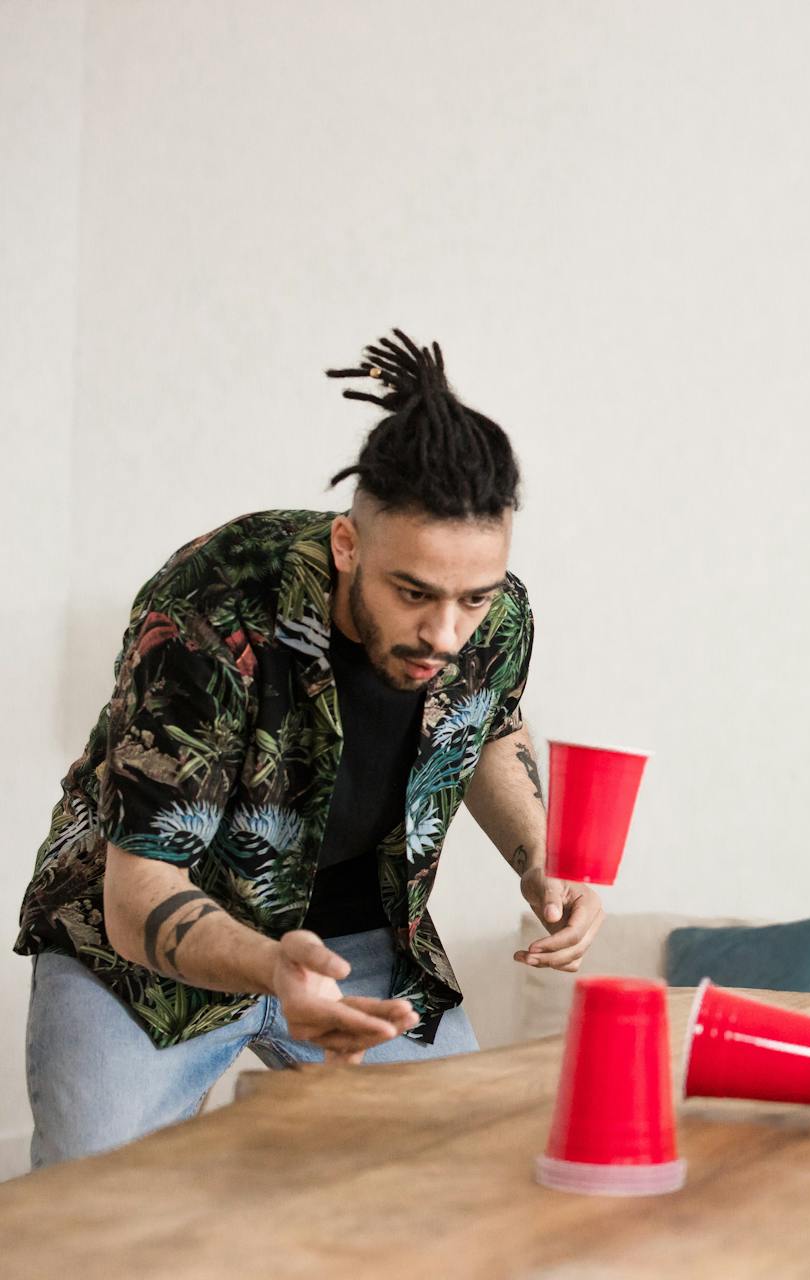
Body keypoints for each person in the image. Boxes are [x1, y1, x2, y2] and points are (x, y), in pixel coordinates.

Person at [17, 330, 606, 1168]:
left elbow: (483, 729)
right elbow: (137, 889)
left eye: (472, 598)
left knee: (461, 1179)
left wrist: (541, 858)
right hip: (143, 953)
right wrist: (271, 968)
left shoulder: (496, 616)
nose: (444, 631)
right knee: (88, 1227)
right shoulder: (210, 602)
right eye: (413, 594)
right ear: (346, 546)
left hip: (362, 944)